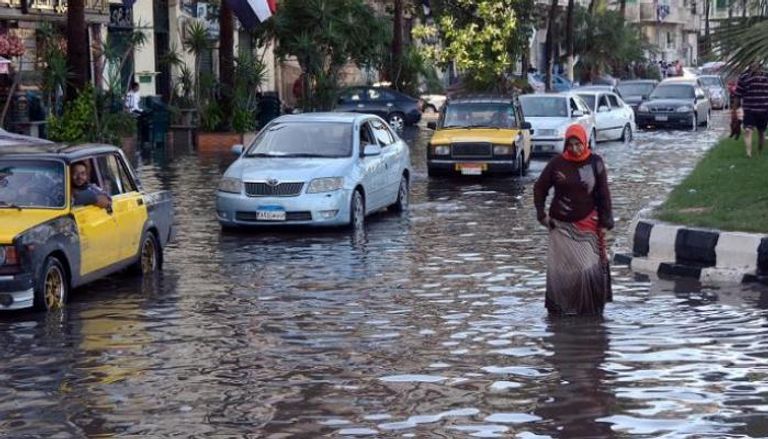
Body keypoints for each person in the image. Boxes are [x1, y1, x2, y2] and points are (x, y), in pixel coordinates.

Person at [533, 124, 614, 316]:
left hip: (588, 226)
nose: (575, 149)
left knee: (586, 268)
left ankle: (589, 311)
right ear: (566, 144)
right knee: (563, 271)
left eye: (578, 144)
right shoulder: (557, 163)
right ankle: (563, 309)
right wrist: (541, 215)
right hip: (560, 227)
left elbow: (604, 194)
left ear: (585, 142)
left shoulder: (596, 163)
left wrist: (604, 222)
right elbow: (539, 188)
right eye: (571, 144)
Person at [732, 63, 768, 157]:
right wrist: (734, 110)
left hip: (763, 109)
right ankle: (749, 153)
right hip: (749, 109)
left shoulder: (766, 76)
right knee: (748, 130)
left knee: (761, 132)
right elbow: (737, 95)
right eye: (753, 64)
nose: (755, 66)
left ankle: (759, 152)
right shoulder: (744, 77)